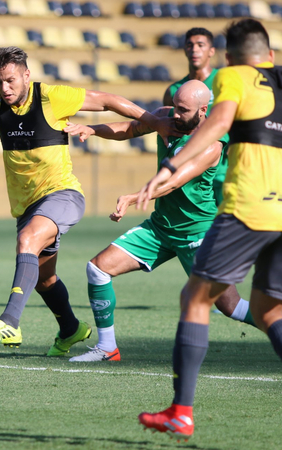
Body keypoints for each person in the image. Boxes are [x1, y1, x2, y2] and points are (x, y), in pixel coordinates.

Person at [0, 38, 179, 356]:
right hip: (27, 205)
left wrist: (155, 122)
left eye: (10, 80)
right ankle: (71, 330)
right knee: (43, 279)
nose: (4, 88)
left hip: (62, 195)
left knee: (27, 243)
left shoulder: (49, 96)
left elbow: (106, 99)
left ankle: (9, 323)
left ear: (26, 75)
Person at [136, 19, 282, 439]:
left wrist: (169, 166)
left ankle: (181, 411)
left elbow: (215, 126)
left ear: (230, 58)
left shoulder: (234, 77)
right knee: (270, 310)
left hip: (249, 209)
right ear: (269, 56)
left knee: (196, 298)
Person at [63, 80, 254, 363]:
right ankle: (107, 348)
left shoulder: (212, 143)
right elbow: (130, 129)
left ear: (203, 110)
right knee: (98, 269)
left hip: (198, 234)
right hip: (161, 228)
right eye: (174, 106)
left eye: (183, 110)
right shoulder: (167, 118)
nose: (174, 114)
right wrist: (93, 129)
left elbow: (175, 180)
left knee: (230, 306)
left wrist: (135, 196)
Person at [164, 28, 229, 207]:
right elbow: (169, 125)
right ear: (184, 50)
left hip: (224, 170)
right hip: (193, 172)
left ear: (212, 51)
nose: (194, 50)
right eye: (190, 45)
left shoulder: (225, 81)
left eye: (201, 45)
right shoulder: (175, 90)